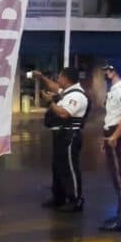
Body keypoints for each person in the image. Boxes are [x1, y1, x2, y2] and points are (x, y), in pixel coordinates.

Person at [32, 68, 89, 212]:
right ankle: (59, 197)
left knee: (69, 168)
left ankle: (75, 200)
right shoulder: (67, 92)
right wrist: (41, 77)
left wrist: (51, 102)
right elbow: (54, 87)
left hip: (69, 135)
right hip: (61, 135)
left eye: (60, 77)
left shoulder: (77, 95)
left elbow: (64, 114)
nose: (57, 79)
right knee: (58, 168)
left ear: (66, 79)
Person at [100, 62, 121, 231]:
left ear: (113, 71)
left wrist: (114, 136)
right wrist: (106, 137)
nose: (104, 73)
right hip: (116, 134)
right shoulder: (115, 90)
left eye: (106, 70)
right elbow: (113, 116)